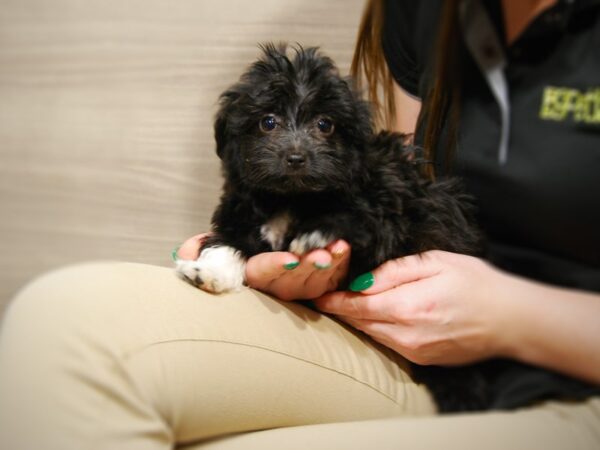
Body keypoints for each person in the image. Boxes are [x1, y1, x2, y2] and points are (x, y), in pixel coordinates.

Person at [1, 0, 599, 449]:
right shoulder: (426, 8)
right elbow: (396, 165)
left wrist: (511, 314)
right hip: (397, 340)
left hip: (566, 376)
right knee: (58, 321)